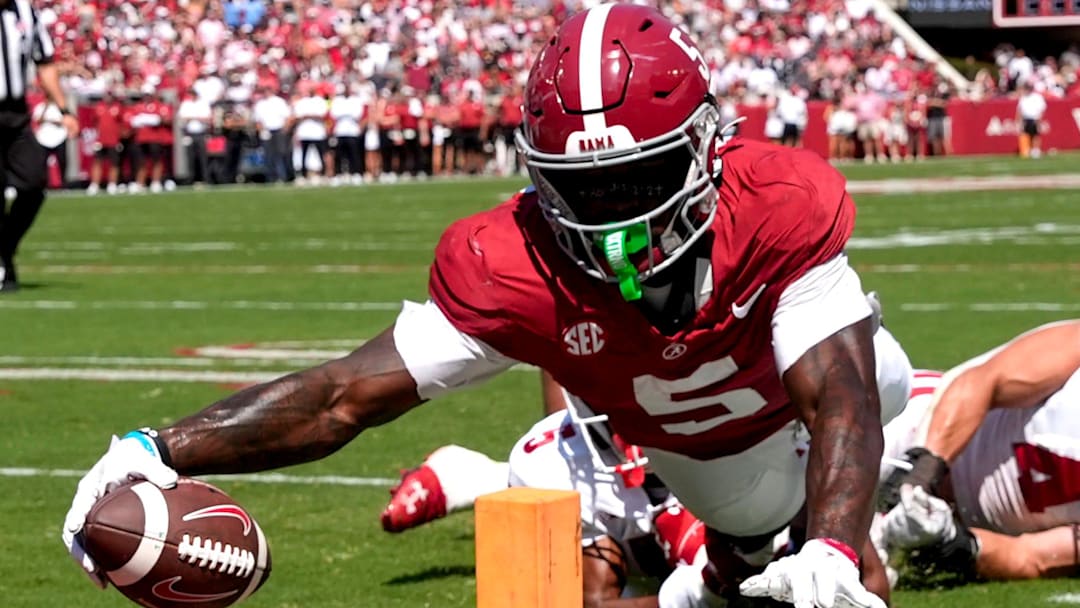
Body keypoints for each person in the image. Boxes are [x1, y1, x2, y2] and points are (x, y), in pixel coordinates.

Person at [63, 6, 910, 608]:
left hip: (816, 392)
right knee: (755, 539)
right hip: (715, 462)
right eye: (583, 188)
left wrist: (834, 541)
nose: (615, 216)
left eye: (637, 179)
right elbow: (340, 397)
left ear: (703, 147)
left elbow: (839, 392)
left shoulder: (772, 202)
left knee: (870, 432)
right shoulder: (512, 260)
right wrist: (156, 446)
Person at [877, 320, 1080, 583]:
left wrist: (954, 542)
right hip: (904, 422)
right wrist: (924, 472)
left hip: (911, 521)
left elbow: (1031, 557)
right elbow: (982, 381)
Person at [0, 0, 77, 292]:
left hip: (16, 115)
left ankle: (5, 248)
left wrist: (64, 109)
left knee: (34, 181)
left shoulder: (25, 11)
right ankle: (5, 268)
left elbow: (44, 63)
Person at [1015, 81, 1047, 159]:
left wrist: (1039, 119)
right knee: (1026, 134)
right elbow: (1020, 110)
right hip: (1026, 119)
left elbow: (1042, 108)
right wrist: (1019, 120)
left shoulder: (1037, 97)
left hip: (1035, 118)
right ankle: (1027, 149)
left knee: (1035, 134)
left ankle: (1036, 150)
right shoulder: (1023, 98)